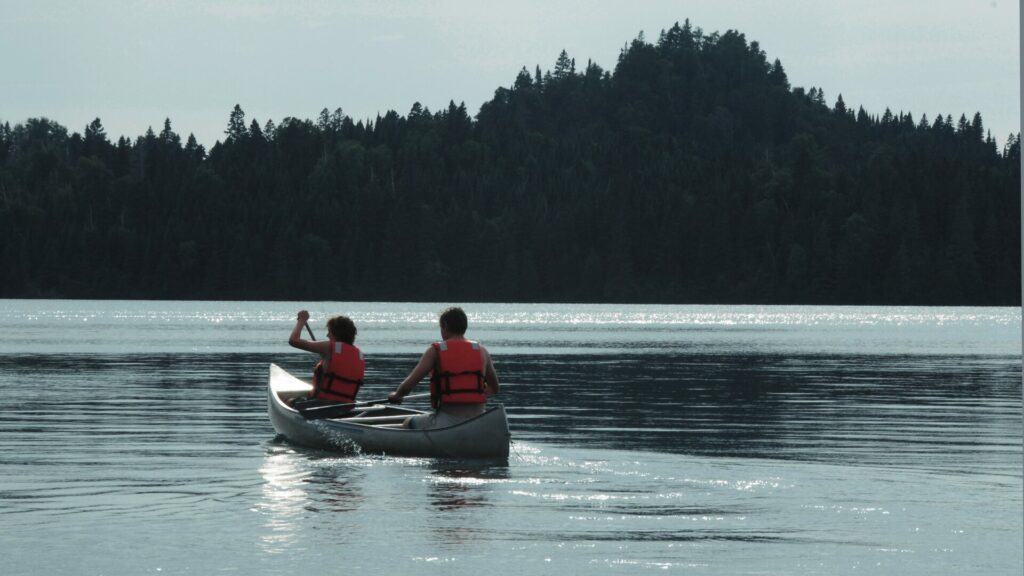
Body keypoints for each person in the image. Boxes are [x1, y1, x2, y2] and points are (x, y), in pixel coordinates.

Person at [388, 306, 499, 429]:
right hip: (478, 419)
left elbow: (409, 385)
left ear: (445, 326)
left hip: (448, 420)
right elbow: (494, 388)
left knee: (408, 422)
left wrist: (397, 395)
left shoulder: (435, 351)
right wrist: (472, 389)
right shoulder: (482, 351)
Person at [288, 310, 365, 404]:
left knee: (289, 401)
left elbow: (293, 341)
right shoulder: (359, 354)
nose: (327, 335)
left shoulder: (329, 347)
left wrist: (302, 320)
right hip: (346, 406)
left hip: (321, 405)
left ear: (337, 333)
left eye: (329, 331)